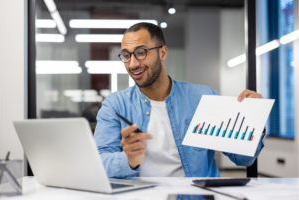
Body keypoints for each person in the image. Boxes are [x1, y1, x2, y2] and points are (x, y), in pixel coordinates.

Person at [94, 23, 265, 178]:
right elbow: (99, 163)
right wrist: (129, 160)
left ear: (162, 52)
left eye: (141, 53)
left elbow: (243, 159)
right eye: (126, 55)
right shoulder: (115, 105)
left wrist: (256, 122)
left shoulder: (203, 98)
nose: (132, 64)